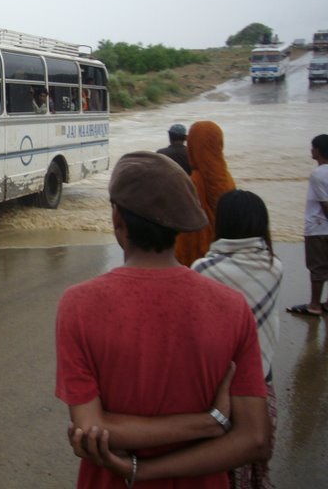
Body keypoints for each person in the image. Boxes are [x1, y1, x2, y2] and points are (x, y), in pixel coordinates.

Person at [56, 151, 271, 488]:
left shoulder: (79, 304)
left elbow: (89, 428)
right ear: (178, 226)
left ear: (117, 219)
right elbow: (255, 438)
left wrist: (135, 470)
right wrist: (209, 422)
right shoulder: (232, 307)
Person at [192, 189, 282, 489]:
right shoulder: (275, 268)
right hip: (260, 383)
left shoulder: (203, 270)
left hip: (219, 387)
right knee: (254, 467)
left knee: (222, 467)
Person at [175, 121, 236, 266]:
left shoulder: (191, 184)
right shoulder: (228, 179)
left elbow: (182, 235)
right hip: (227, 261)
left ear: (192, 146)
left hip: (197, 264)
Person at [287, 134, 328, 316]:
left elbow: (325, 204)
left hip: (318, 227)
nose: (311, 150)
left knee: (317, 267)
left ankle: (314, 305)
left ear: (318, 150)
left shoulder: (318, 174)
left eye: (312, 147)